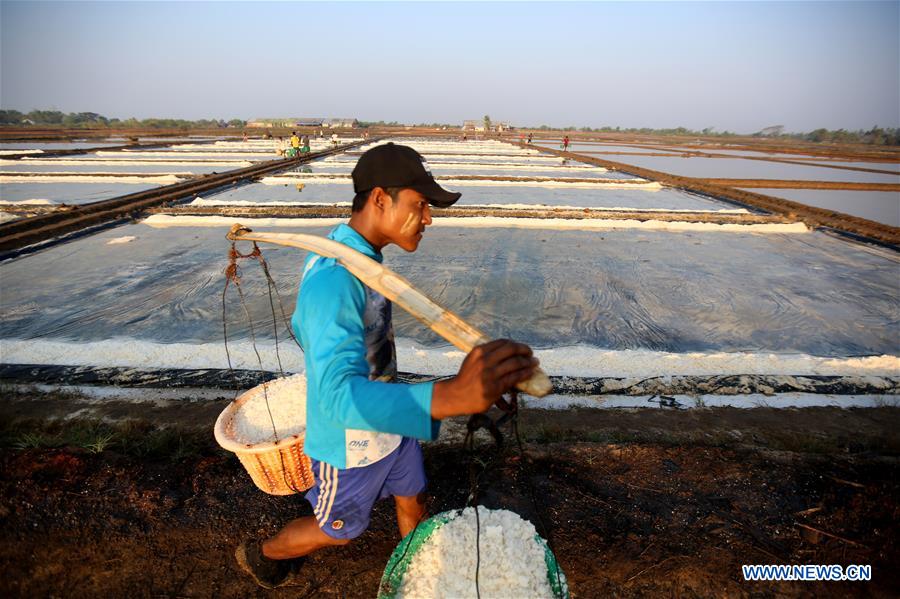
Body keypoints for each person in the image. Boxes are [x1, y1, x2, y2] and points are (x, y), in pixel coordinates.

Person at [234, 143, 538, 589]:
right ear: (380, 198)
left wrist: (477, 383)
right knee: (338, 530)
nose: (429, 218)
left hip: (392, 424)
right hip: (350, 441)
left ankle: (422, 582)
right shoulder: (334, 282)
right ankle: (263, 555)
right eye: (420, 205)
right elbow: (337, 398)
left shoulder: (362, 259)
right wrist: (453, 395)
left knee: (413, 500)